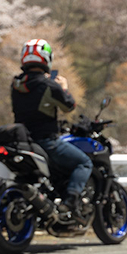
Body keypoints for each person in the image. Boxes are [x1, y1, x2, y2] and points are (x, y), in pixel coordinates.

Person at [11, 39, 92, 219]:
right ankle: (70, 201)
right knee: (84, 163)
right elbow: (69, 106)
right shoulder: (49, 85)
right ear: (47, 59)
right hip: (46, 141)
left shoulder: (16, 84)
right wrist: (63, 88)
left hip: (24, 141)